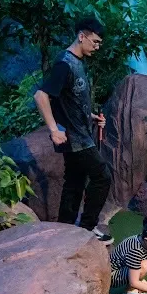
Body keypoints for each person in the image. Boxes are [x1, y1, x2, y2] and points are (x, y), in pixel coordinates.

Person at [34, 17, 113, 244]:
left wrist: (91, 116)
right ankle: (87, 228)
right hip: (76, 138)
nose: (97, 47)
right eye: (95, 42)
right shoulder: (64, 64)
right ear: (81, 36)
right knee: (102, 176)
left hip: (80, 133)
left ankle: (65, 230)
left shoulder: (77, 62)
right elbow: (41, 96)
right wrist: (53, 129)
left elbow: (69, 99)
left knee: (75, 182)